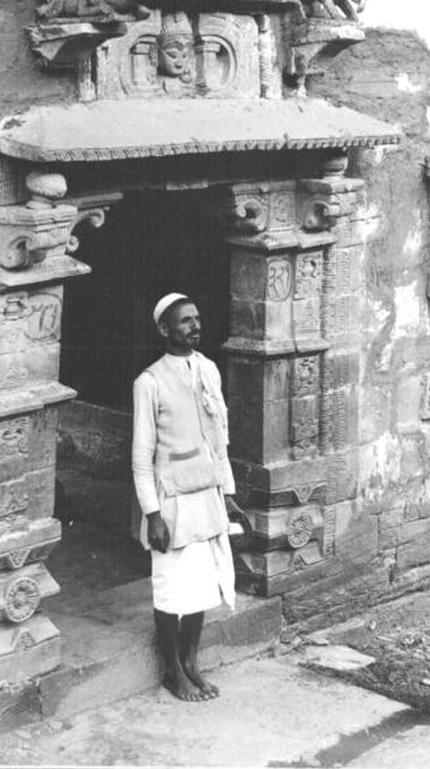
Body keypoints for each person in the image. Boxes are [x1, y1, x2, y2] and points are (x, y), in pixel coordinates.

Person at [132, 292, 244, 702]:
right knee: (170, 589)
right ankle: (172, 670)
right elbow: (141, 459)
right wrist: (153, 514)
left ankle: (191, 661)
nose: (195, 326)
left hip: (207, 495)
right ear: (164, 329)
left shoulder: (210, 370)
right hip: (172, 501)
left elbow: (220, 440)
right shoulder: (149, 382)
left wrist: (227, 493)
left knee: (200, 585)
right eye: (185, 321)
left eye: (197, 319)